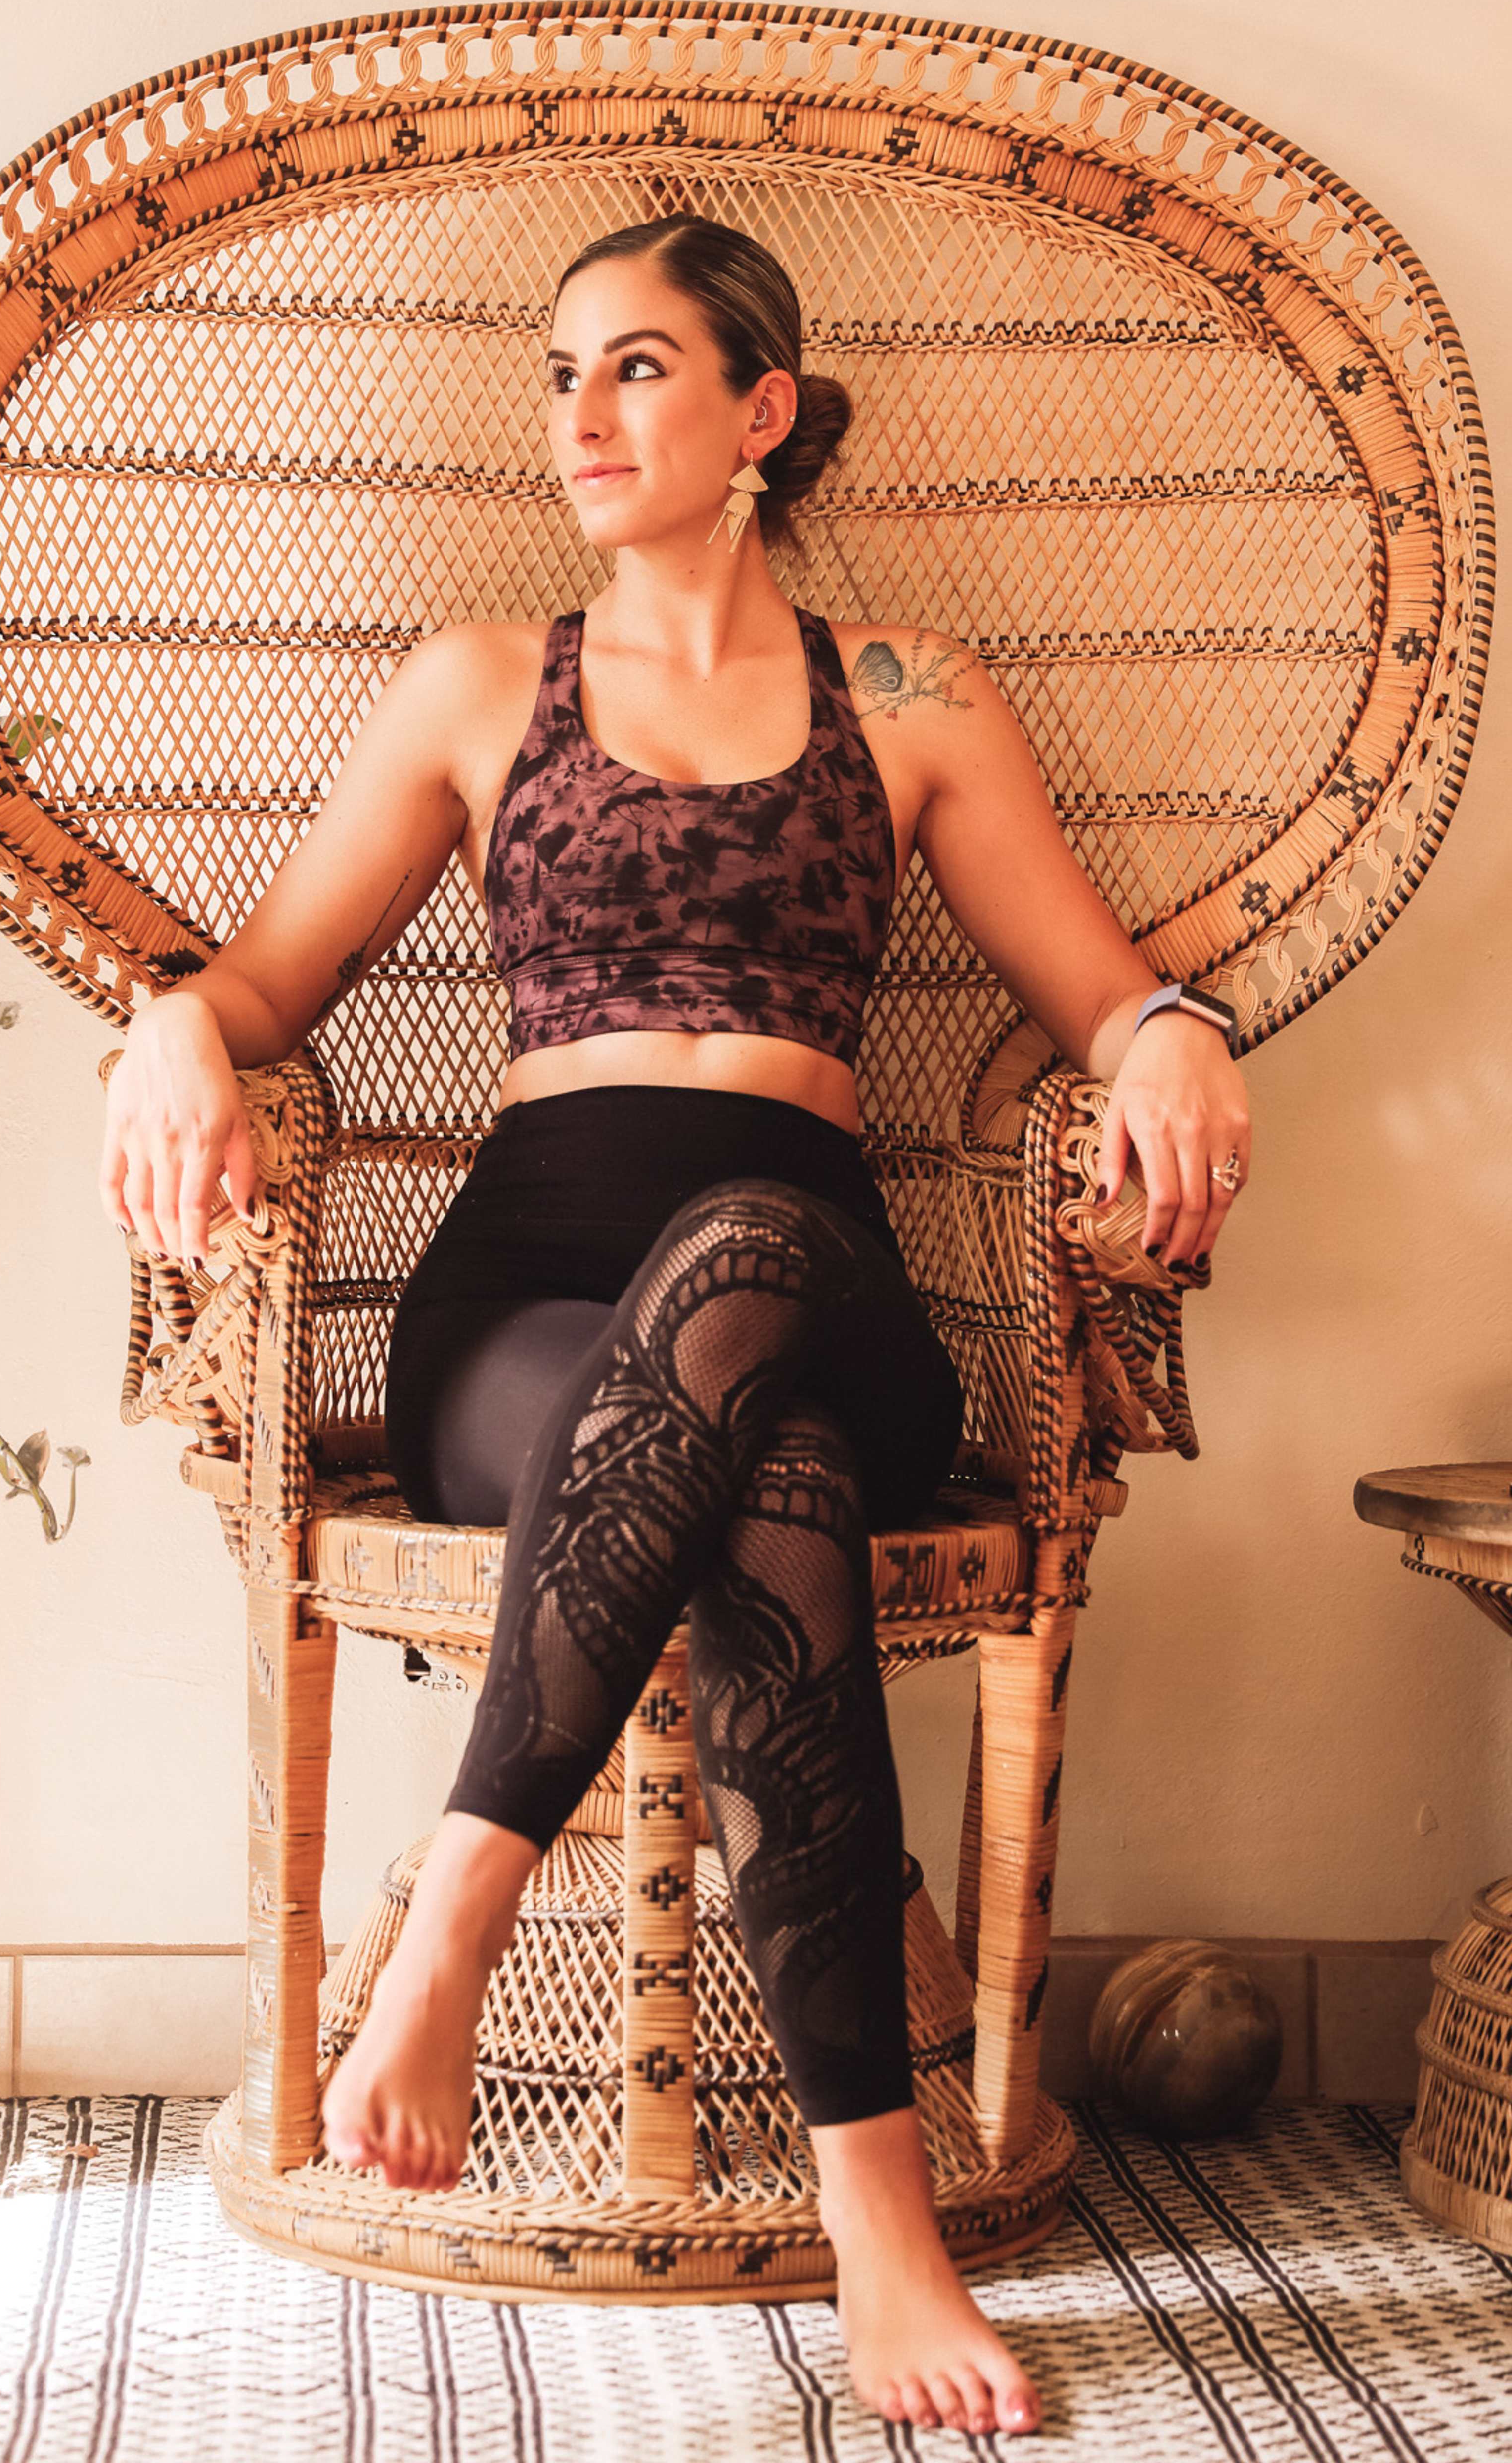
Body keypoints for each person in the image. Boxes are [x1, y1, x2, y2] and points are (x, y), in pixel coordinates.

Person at [99, 212, 1251, 2439]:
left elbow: (1099, 991)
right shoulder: (472, 683)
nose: (582, 418)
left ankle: (445, 1909)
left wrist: (1177, 1034)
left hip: (828, 1276)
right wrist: (169, 1029)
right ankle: (887, 2225)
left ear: (764, 409)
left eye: (637, 368)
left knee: (753, 1243)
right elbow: (258, 984)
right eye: (561, 376)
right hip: (526, 1308)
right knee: (781, 1500)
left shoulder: (906, 692)